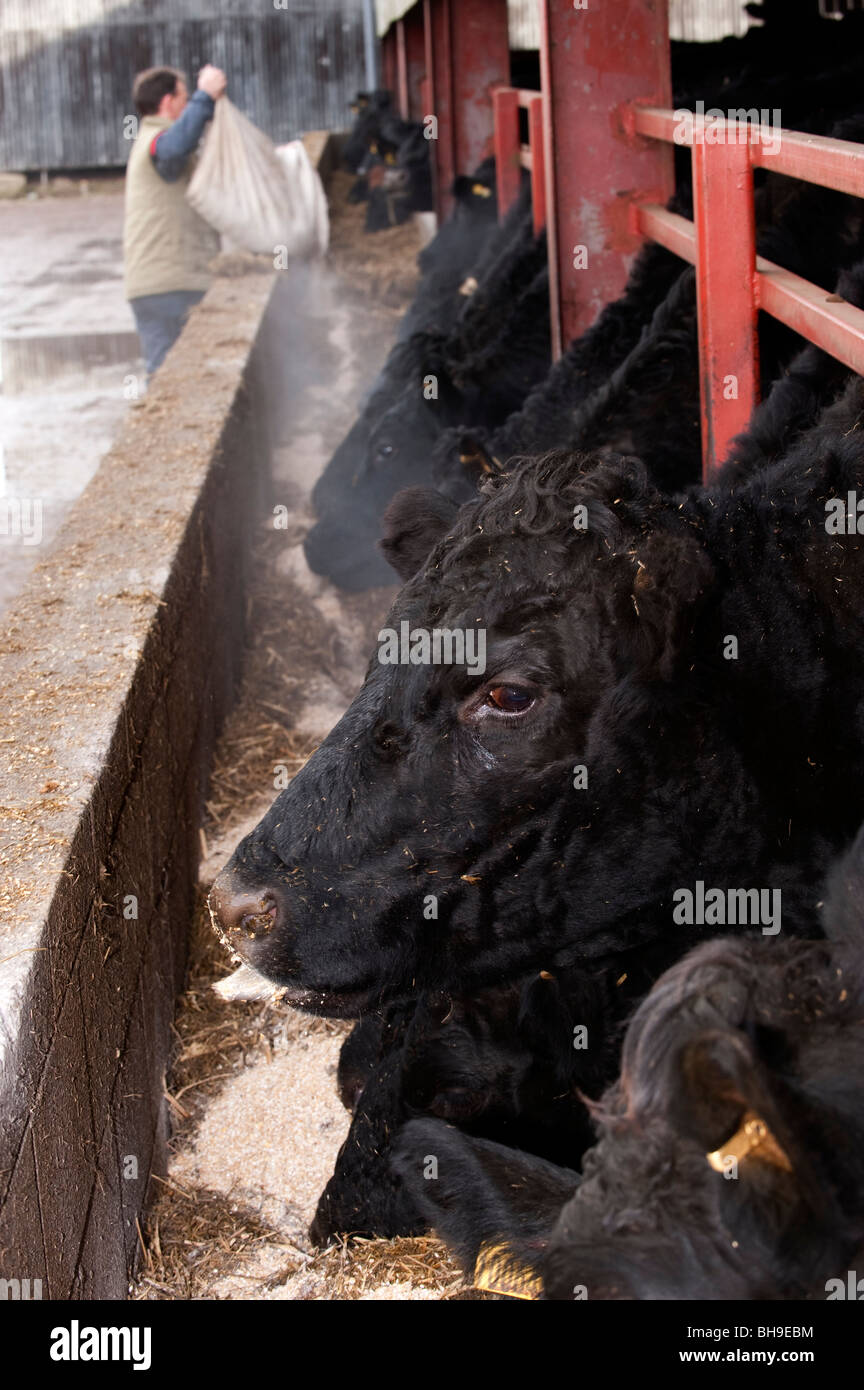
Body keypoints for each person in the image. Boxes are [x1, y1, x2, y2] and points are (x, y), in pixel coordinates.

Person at [124, 64, 227, 377]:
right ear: (168, 103)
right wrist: (205, 97)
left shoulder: (148, 140)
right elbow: (173, 150)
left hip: (155, 285)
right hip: (172, 285)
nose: (188, 107)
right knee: (182, 379)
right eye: (185, 99)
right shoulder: (158, 140)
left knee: (166, 379)